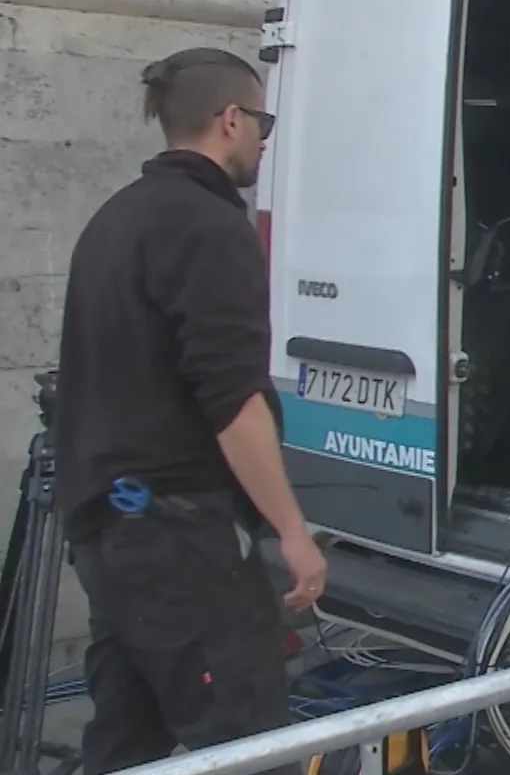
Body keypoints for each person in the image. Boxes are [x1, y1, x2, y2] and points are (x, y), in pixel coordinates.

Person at [55, 48, 325, 774]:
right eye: (262, 123)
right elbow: (232, 399)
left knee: (127, 739)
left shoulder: (115, 220)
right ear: (230, 119)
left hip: (110, 533)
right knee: (249, 742)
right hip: (178, 539)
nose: (265, 141)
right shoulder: (209, 227)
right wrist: (291, 532)